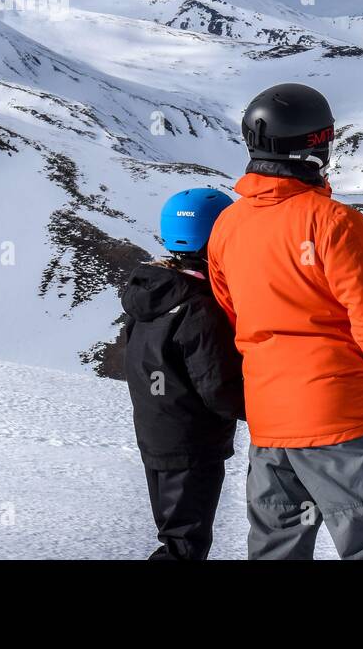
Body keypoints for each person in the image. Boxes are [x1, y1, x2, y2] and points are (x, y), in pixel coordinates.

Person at [207, 82, 363, 560]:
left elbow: (233, 315)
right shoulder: (336, 222)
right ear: (318, 145)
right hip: (344, 420)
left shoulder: (227, 225)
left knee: (276, 551)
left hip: (269, 424)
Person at [121, 188, 245, 560]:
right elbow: (217, 387)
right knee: (183, 546)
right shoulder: (199, 306)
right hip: (192, 443)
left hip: (159, 435)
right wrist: (266, 411)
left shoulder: (153, 293)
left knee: (175, 538)